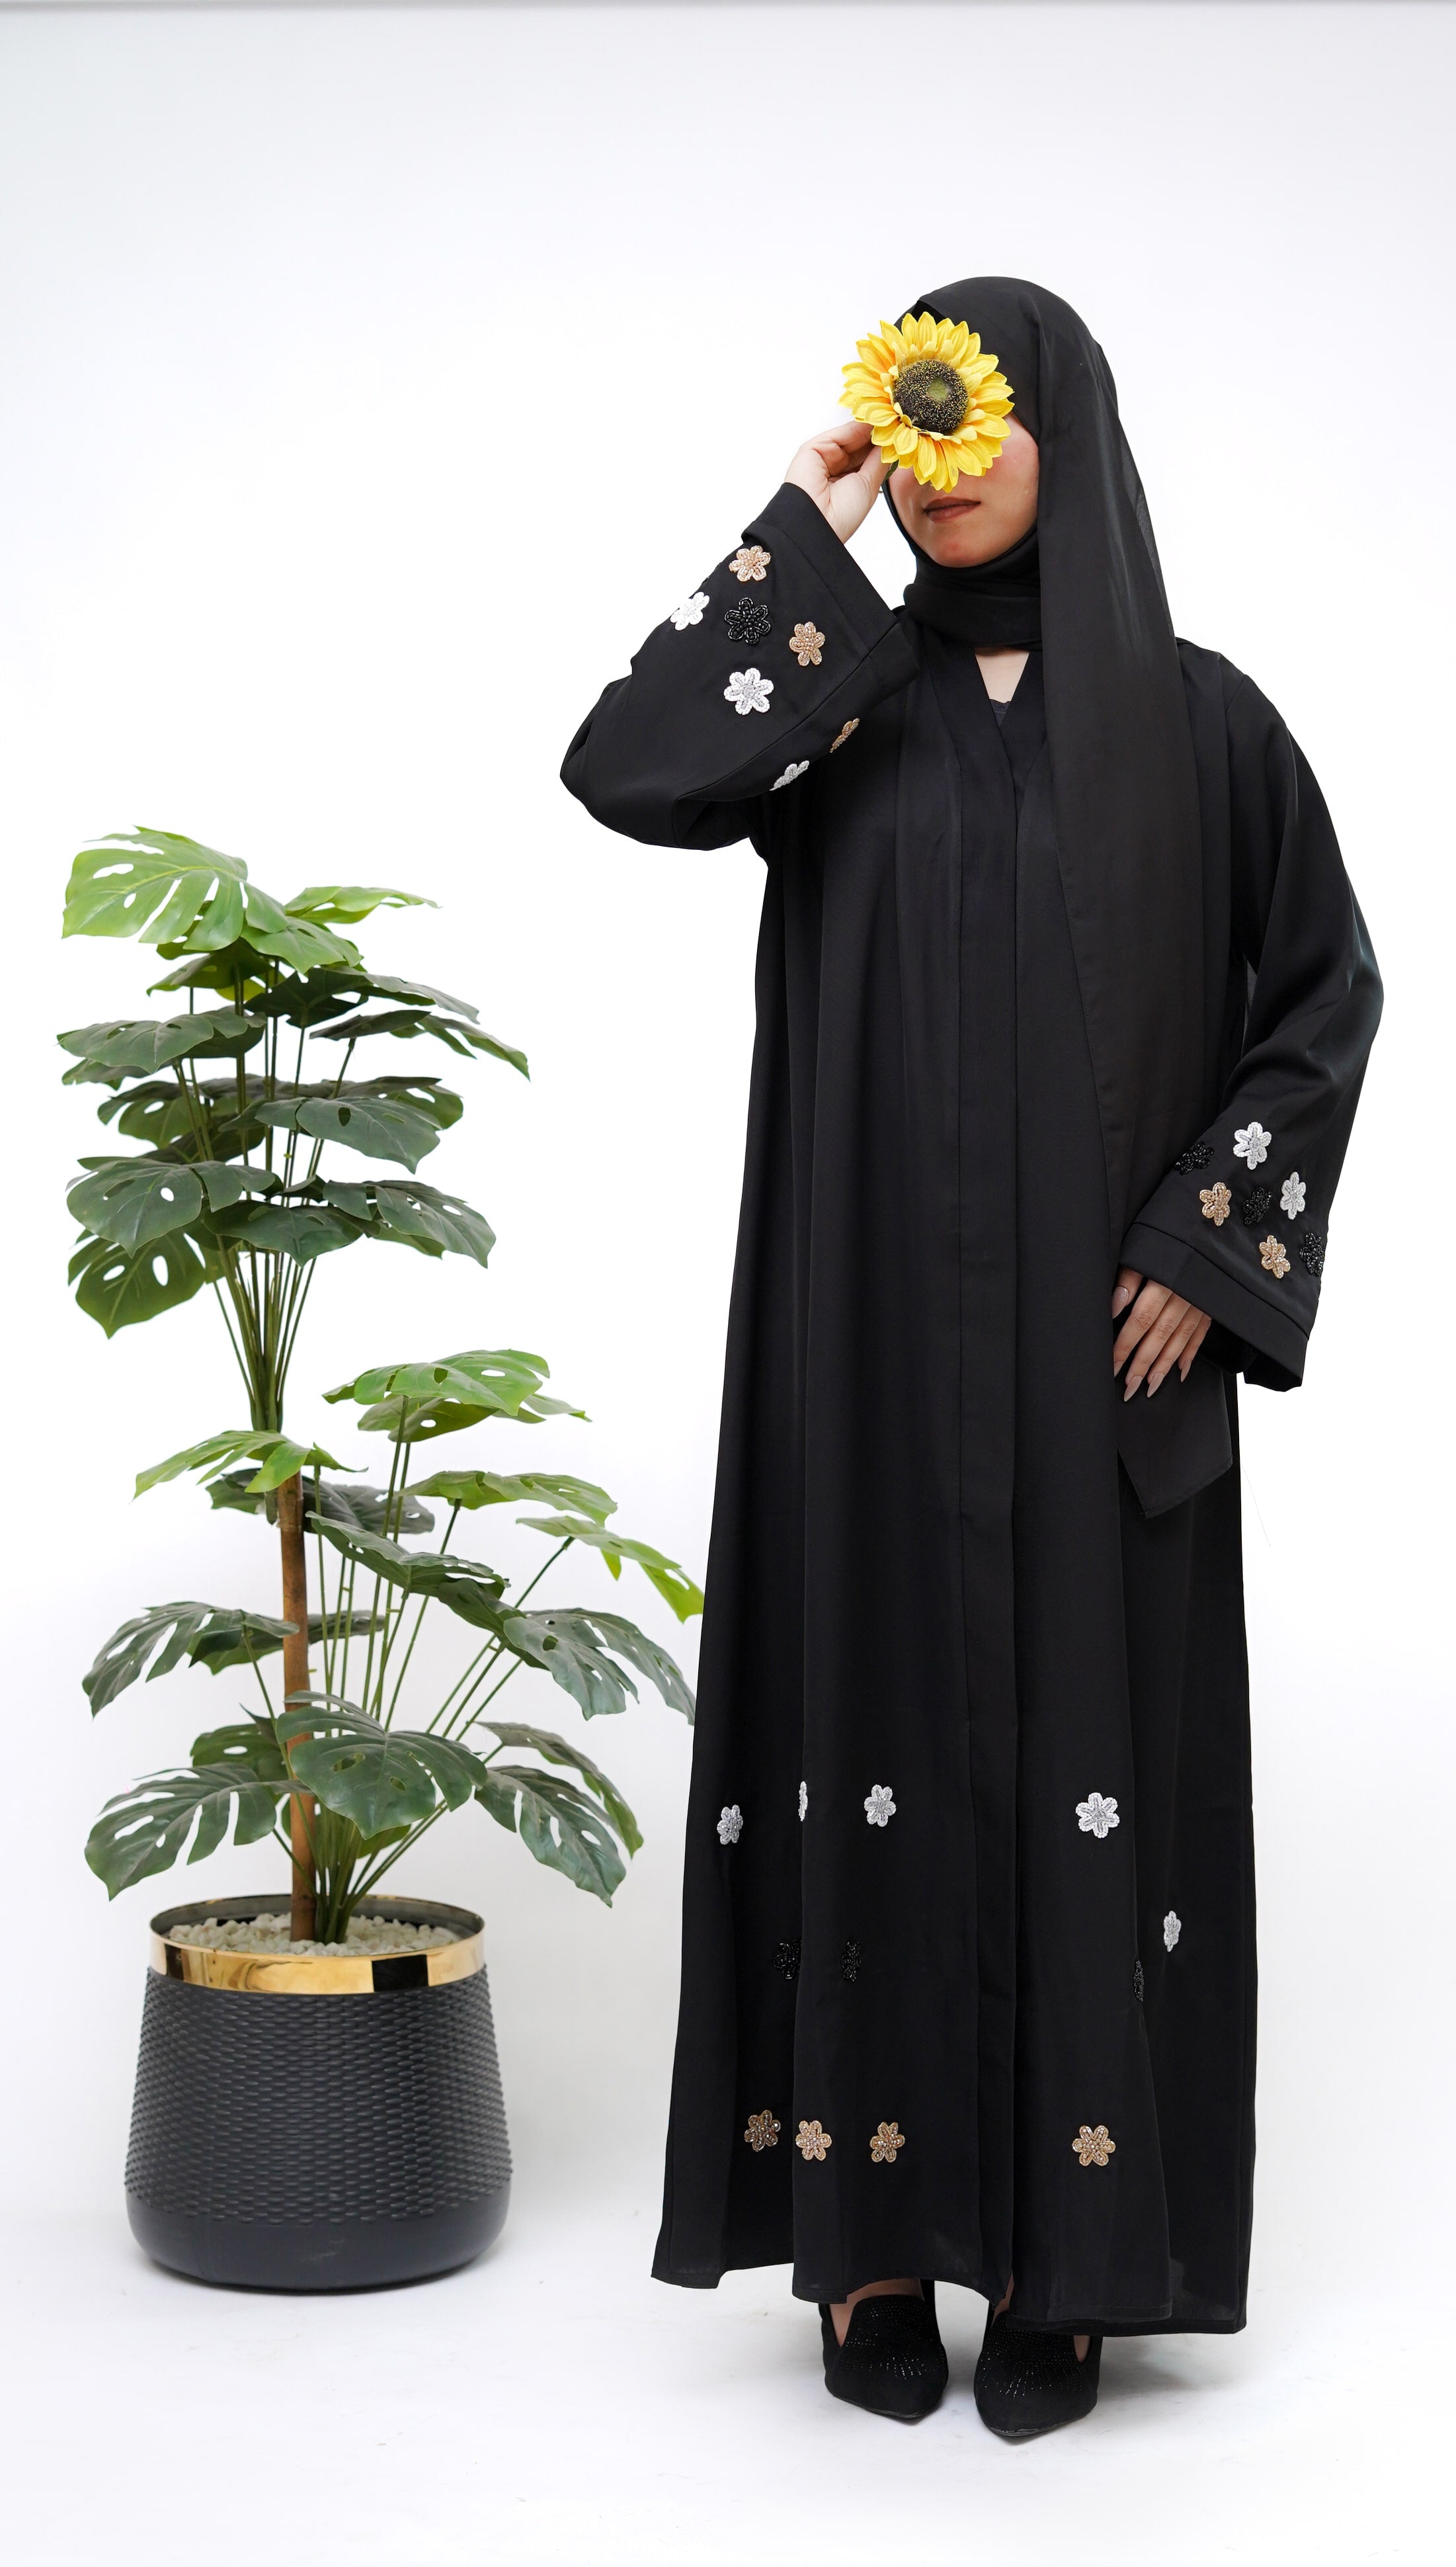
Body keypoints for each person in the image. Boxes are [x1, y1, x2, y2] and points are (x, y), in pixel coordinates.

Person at [562, 277, 1381, 2437]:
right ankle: (866, 2252)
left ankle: (1071, 2259)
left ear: (1068, 427)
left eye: (970, 413)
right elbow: (626, 768)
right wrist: (801, 533)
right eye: (899, 415)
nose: (934, 455)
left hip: (1102, 1370)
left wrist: (1218, 1241)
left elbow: (1323, 999)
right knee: (881, 1723)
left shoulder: (1203, 724)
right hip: (868, 1355)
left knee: (1078, 1755)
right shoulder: (834, 706)